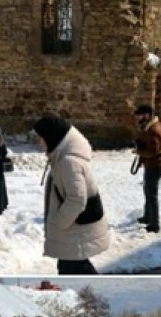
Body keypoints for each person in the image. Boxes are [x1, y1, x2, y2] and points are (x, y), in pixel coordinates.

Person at [33, 114, 111, 275]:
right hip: (73, 233)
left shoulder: (68, 163)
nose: (38, 142)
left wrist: (58, 223)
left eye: (41, 138)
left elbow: (77, 200)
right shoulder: (62, 159)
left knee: (74, 268)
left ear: (52, 137)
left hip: (74, 233)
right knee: (73, 267)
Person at [132, 104, 161, 234]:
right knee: (148, 191)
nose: (138, 118)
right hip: (153, 165)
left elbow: (153, 152)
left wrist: (139, 151)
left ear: (147, 115)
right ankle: (148, 217)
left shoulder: (153, 130)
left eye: (140, 116)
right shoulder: (150, 128)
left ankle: (154, 224)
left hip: (155, 165)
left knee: (151, 194)